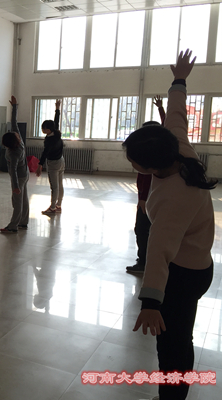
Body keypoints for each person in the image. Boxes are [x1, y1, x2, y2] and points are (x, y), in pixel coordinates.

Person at [125, 50, 216, 400]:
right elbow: (177, 113)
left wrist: (150, 302)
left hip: (182, 274)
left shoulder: (171, 198)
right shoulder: (179, 148)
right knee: (179, 338)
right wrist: (179, 80)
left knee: (174, 343)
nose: (132, 164)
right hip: (196, 263)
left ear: (149, 167)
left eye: (134, 162)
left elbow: (159, 250)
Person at [126, 95, 166, 275]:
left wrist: (143, 199)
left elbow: (146, 179)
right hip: (147, 199)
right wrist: (161, 109)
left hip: (149, 200)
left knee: (143, 230)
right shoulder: (154, 155)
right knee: (144, 230)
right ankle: (145, 260)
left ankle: (144, 262)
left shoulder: (152, 159)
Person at [0, 96, 29, 233]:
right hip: (25, 174)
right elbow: (14, 123)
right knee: (24, 199)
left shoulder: (13, 154)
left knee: (17, 201)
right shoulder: (20, 141)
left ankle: (13, 226)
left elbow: (13, 172)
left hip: (19, 177)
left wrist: (16, 186)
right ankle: (23, 222)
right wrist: (14, 107)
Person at [36, 100, 65, 215]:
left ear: (48, 130)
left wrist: (40, 165)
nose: (42, 130)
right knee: (60, 184)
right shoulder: (56, 132)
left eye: (44, 128)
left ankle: (52, 207)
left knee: (54, 186)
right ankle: (58, 205)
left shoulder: (50, 140)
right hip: (61, 161)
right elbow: (56, 120)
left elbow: (45, 153)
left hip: (53, 163)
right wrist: (57, 109)